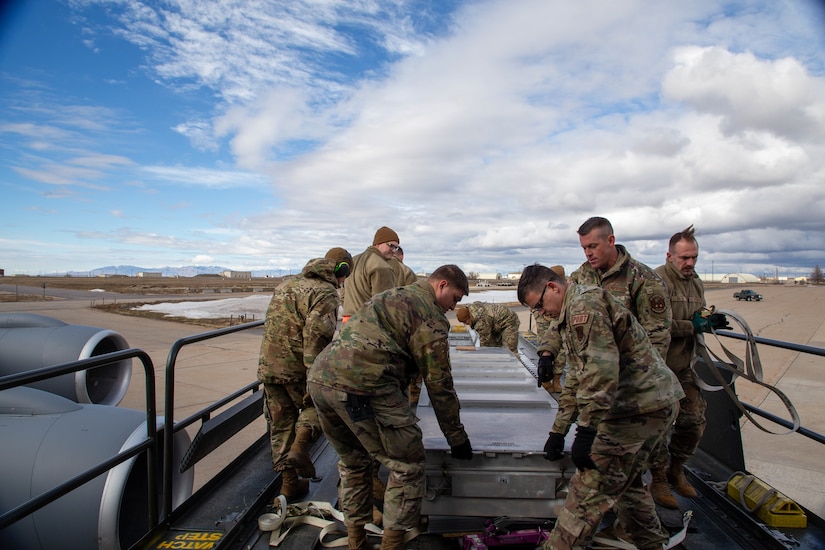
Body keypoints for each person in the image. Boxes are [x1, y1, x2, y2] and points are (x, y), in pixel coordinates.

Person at [518, 264, 684, 550]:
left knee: (588, 493)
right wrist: (559, 431)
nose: (541, 314)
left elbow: (601, 375)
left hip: (637, 410)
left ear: (553, 288)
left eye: (540, 306)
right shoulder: (573, 311)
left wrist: (586, 432)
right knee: (627, 491)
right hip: (649, 405)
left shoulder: (585, 307)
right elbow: (578, 379)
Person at [308, 265, 473, 550]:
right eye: (455, 298)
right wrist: (456, 437)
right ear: (442, 285)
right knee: (407, 464)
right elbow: (439, 383)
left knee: (354, 463)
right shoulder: (429, 314)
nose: (452, 307)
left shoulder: (390, 296)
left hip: (321, 380)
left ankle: (356, 541)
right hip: (363, 385)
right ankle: (392, 543)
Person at [257, 247, 353, 500]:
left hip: (269, 367)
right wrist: (316, 379)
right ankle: (301, 445)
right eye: (345, 274)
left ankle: (289, 483)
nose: (344, 281)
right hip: (298, 368)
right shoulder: (325, 293)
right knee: (318, 405)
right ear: (340, 270)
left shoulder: (285, 285)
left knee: (279, 425)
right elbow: (316, 338)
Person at [536, 218, 671, 395]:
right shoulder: (582, 276)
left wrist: (635, 383)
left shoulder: (643, 279)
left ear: (610, 241)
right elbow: (562, 316)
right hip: (592, 376)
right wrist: (548, 351)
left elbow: (657, 338)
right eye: (584, 248)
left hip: (630, 383)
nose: (588, 253)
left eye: (593, 246)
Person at [649, 225, 730, 508]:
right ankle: (658, 479)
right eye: (684, 258)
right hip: (658, 369)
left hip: (684, 367)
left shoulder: (696, 283)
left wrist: (708, 321)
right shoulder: (656, 281)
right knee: (658, 426)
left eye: (694, 257)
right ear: (670, 256)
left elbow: (698, 315)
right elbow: (655, 326)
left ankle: (676, 468)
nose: (690, 263)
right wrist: (692, 325)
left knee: (694, 421)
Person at [342, 226, 401, 319]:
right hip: (367, 324)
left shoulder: (353, 260)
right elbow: (383, 305)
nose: (394, 251)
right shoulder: (382, 267)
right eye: (391, 246)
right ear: (378, 243)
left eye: (396, 248)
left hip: (348, 321)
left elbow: (343, 292)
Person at [455, 301, 520, 353]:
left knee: (510, 350)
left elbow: (485, 341)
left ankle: (516, 366)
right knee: (494, 348)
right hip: (495, 323)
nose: (465, 324)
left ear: (469, 317)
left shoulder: (481, 320)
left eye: (465, 321)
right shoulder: (473, 310)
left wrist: (481, 354)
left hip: (509, 321)